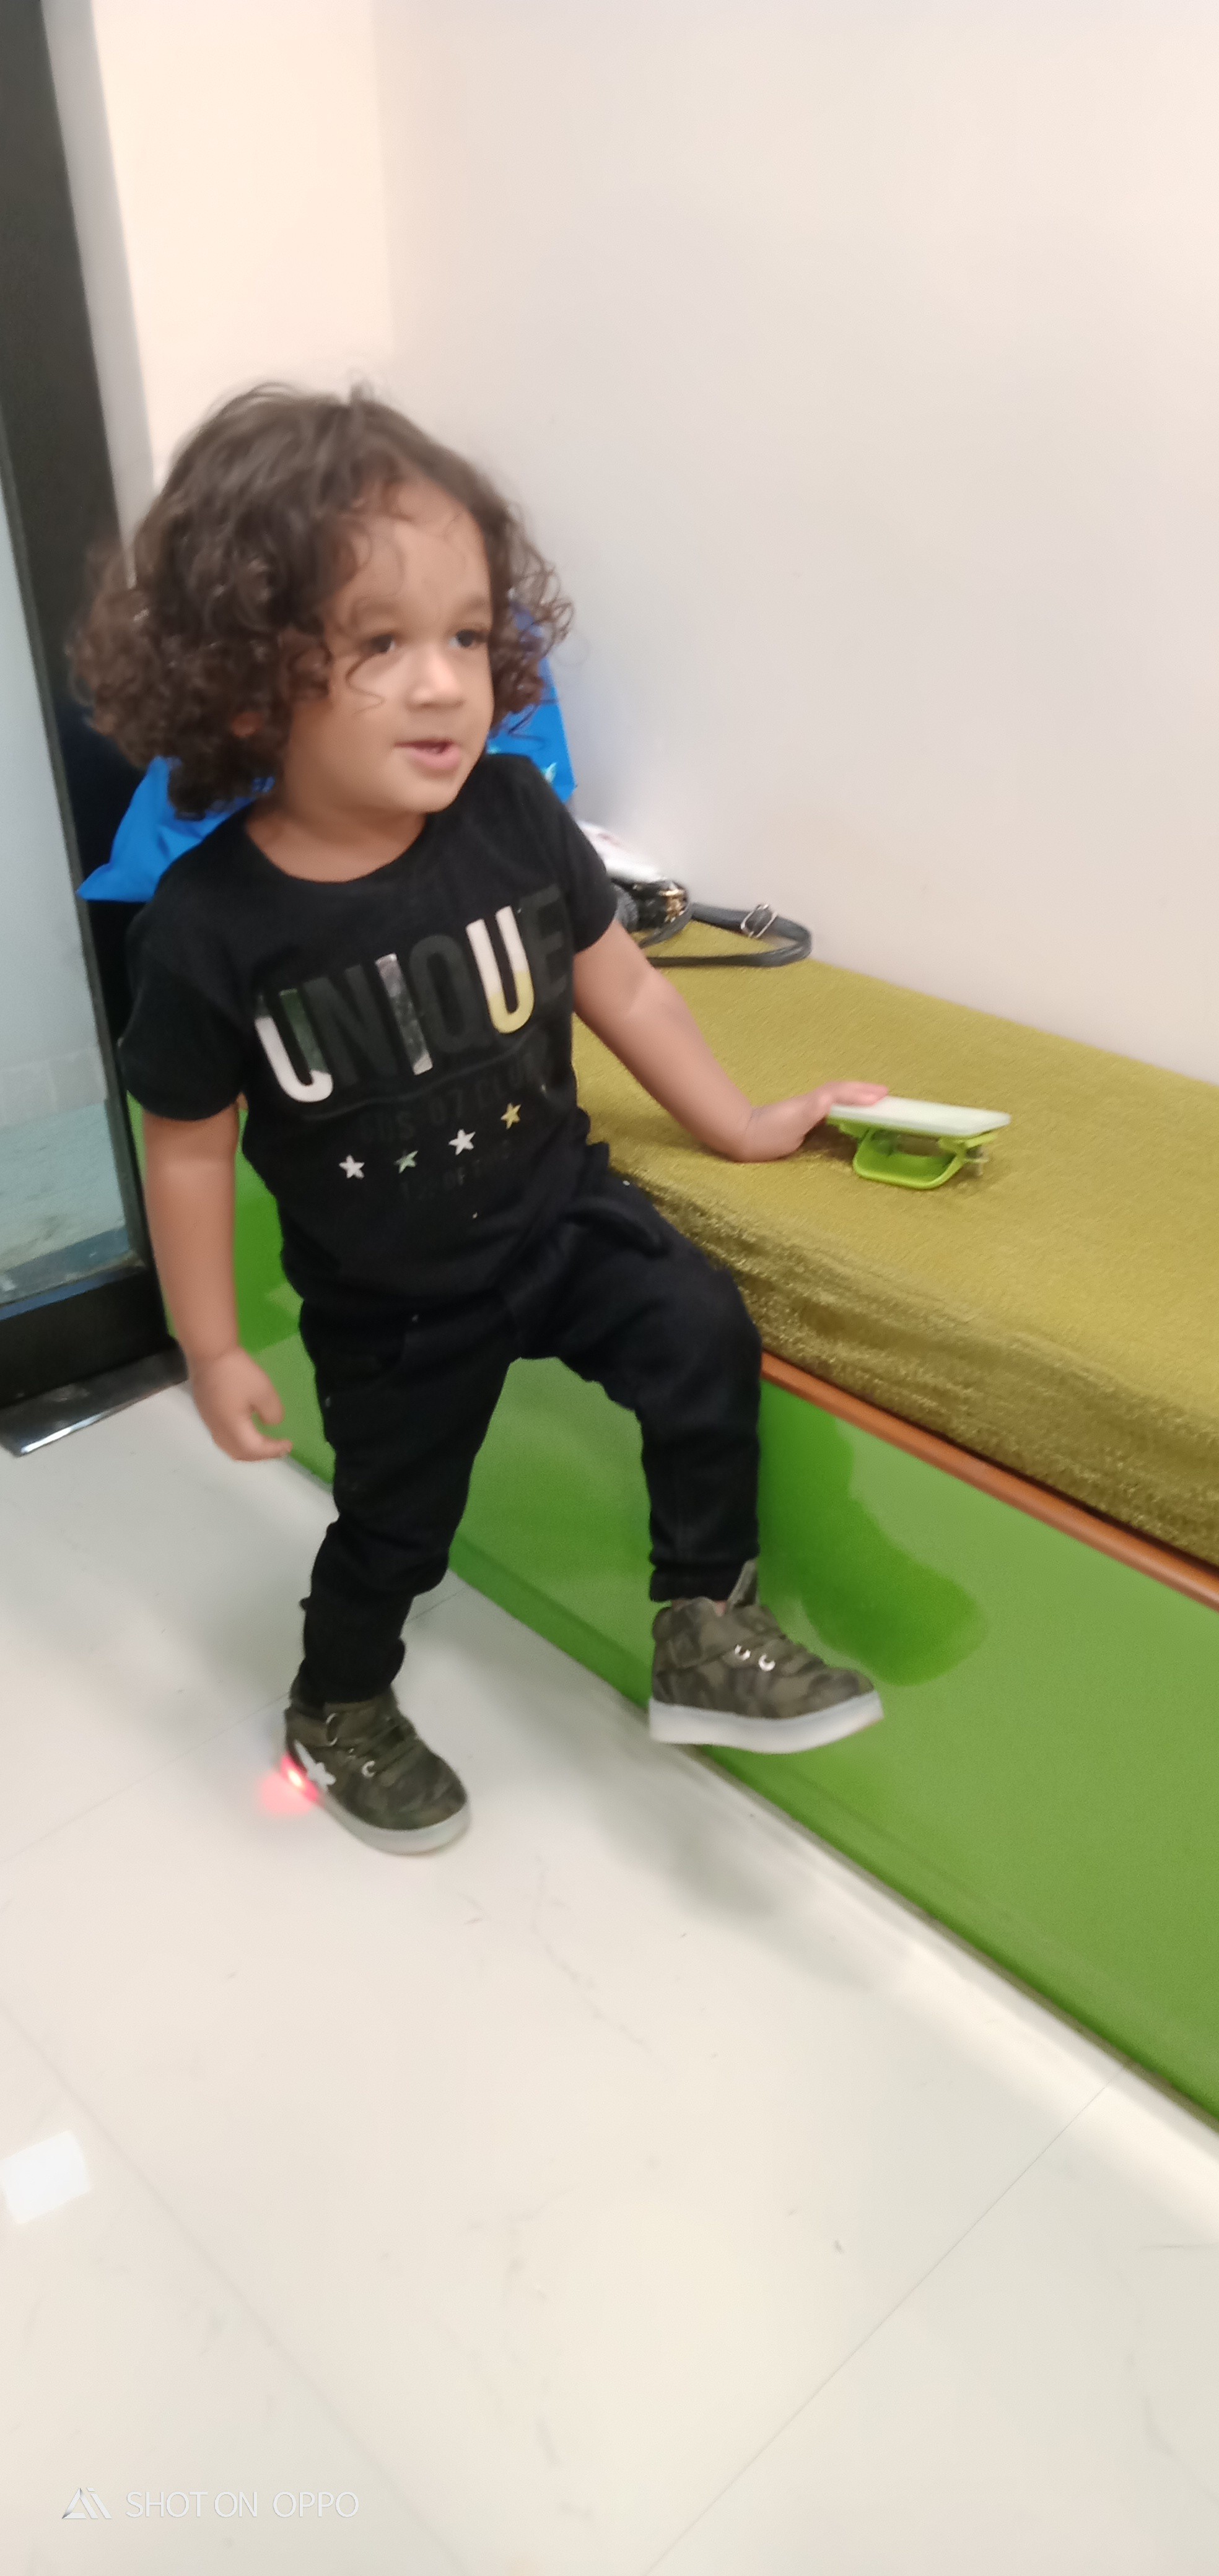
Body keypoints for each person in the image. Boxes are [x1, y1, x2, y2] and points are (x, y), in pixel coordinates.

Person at [74, 385, 888, 1857]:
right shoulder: (206, 929)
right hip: (389, 1304)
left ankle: (704, 1620)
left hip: (559, 1216)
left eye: (464, 636)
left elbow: (625, 986)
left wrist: (742, 1122)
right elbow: (186, 1143)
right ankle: (338, 1700)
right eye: (379, 644)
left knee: (699, 1332)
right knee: (397, 1530)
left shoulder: (514, 816)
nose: (445, 684)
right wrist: (210, 1343)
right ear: (246, 682)